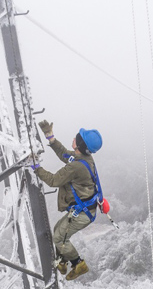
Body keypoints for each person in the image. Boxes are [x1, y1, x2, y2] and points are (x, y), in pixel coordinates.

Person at [31, 120, 103, 280]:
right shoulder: (83, 158)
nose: (74, 139)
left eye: (76, 138)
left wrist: (35, 167)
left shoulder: (77, 167)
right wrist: (51, 138)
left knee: (58, 237)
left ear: (80, 145)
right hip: (85, 210)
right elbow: (65, 154)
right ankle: (62, 261)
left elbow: (54, 180)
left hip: (83, 213)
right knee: (59, 230)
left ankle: (78, 264)